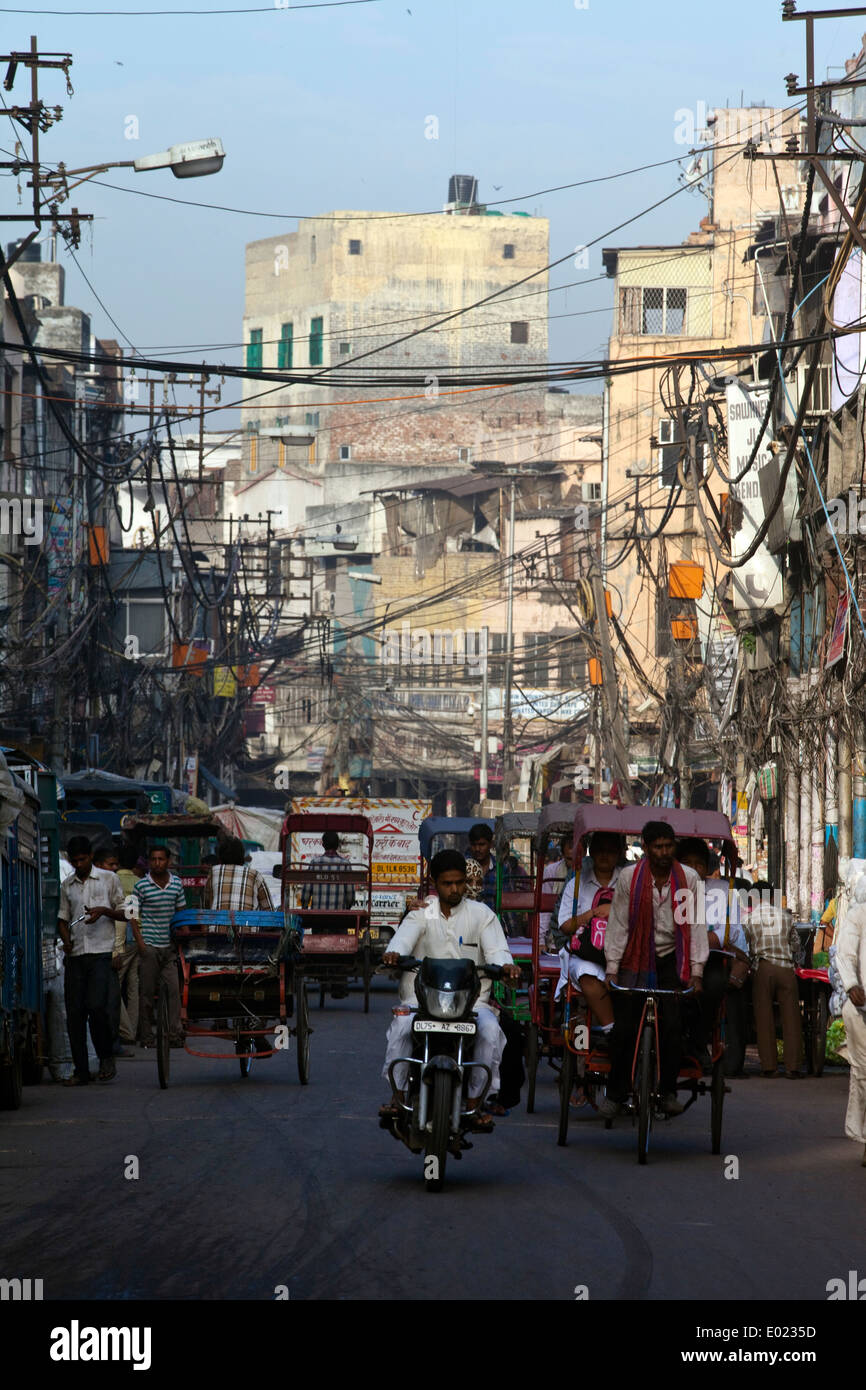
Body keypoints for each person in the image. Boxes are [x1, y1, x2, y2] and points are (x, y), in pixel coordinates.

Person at [379, 849, 520, 1130]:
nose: (454, 889)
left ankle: (474, 1101)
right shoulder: (422, 913)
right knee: (403, 1026)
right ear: (435, 883)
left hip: (472, 1004)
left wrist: (506, 966)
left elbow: (497, 951)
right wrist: (393, 953)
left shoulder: (482, 915)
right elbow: (402, 941)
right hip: (422, 1001)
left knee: (491, 1031)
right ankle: (398, 1096)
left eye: (459, 883)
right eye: (447, 883)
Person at [600, 821, 708, 1118]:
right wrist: (612, 969)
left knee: (672, 1025)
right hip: (634, 959)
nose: (663, 852)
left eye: (668, 846)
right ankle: (617, 1093)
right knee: (624, 1029)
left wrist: (696, 971)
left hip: (673, 959)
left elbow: (696, 926)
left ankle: (667, 1091)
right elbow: (619, 924)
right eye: (657, 847)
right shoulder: (629, 878)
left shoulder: (688, 879)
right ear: (645, 849)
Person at [57, 835, 131, 1085]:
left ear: (90, 856)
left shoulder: (110, 879)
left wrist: (104, 911)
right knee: (75, 1014)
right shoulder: (67, 886)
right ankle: (81, 1071)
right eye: (75, 861)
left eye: (83, 859)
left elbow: (127, 913)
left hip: (101, 954)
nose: (79, 864)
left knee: (98, 1008)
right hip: (77, 956)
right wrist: (66, 941)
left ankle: (106, 1057)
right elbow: (62, 920)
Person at [675, 838, 750, 1075]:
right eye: (687, 863)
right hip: (673, 956)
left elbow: (733, 928)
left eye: (698, 864)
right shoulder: (669, 887)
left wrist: (709, 939)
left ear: (706, 867)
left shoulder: (721, 890)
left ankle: (699, 1040)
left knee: (716, 984)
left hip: (710, 958)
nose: (693, 869)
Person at [554, 831, 623, 1030]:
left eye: (610, 851)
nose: (604, 856)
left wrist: (614, 910)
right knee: (586, 973)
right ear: (591, 852)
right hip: (585, 954)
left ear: (618, 853)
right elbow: (565, 925)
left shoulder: (627, 880)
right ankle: (611, 1031)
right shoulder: (577, 883)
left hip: (622, 954)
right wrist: (592, 914)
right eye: (600, 850)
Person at [742, 879, 804, 1079]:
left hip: (763, 968)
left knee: (764, 1017)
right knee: (791, 1018)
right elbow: (795, 944)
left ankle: (769, 1067)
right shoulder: (785, 917)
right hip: (786, 969)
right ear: (770, 897)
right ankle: (793, 1067)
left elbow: (746, 947)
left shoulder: (750, 919)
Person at [132, 846, 187, 1048]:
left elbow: (181, 913)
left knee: (173, 991)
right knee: (146, 995)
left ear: (168, 861)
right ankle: (146, 1035)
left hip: (169, 947)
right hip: (150, 946)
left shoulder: (177, 885)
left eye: (161, 859)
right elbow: (131, 915)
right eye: (153, 859)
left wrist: (184, 940)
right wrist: (140, 943)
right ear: (149, 862)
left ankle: (174, 1033)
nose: (157, 863)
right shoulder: (140, 886)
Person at [832, 864, 866, 1163]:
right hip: (861, 1008)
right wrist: (853, 984)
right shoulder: (858, 915)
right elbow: (845, 954)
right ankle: (861, 1132)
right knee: (863, 1071)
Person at [94, 848, 137, 1057]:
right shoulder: (134, 882)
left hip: (117, 948)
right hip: (114, 947)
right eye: (110, 864)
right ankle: (125, 1033)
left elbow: (126, 917)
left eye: (115, 864)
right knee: (123, 992)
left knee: (114, 996)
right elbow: (131, 915)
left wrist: (118, 950)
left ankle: (122, 1036)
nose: (114, 869)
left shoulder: (114, 882)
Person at [203, 836, 274, 911]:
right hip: (247, 922)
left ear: (220, 856)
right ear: (242, 856)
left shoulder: (214, 872)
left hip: (217, 922)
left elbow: (206, 904)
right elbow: (269, 909)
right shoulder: (254, 875)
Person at [300, 830, 356, 914]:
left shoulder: (315, 863)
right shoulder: (345, 864)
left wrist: (305, 906)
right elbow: (350, 895)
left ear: (323, 845)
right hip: (340, 917)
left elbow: (306, 891)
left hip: (317, 916)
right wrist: (346, 909)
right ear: (337, 845)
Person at [539, 833, 575, 949]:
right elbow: (544, 911)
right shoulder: (551, 872)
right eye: (569, 859)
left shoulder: (591, 873)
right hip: (556, 935)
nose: (574, 863)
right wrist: (540, 941)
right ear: (563, 855)